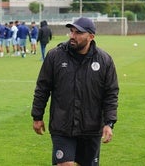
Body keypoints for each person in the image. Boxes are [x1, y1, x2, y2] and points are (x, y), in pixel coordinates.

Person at [31, 17, 119, 166]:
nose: (72, 36)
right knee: (65, 164)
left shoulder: (104, 60)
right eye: (71, 32)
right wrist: (37, 116)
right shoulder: (55, 56)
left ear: (91, 37)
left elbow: (110, 94)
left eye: (78, 33)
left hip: (91, 128)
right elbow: (43, 88)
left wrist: (109, 123)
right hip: (62, 126)